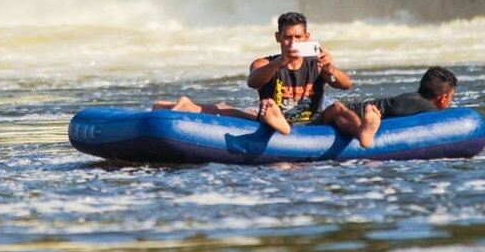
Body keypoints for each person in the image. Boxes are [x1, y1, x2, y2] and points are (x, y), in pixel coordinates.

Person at [152, 11, 352, 135]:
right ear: (278, 38)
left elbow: (345, 84)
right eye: (287, 37)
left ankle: (363, 132)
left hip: (311, 123)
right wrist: (279, 63)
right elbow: (253, 81)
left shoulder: (317, 64)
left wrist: (330, 70)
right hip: (271, 117)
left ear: (307, 37)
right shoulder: (264, 63)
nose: (292, 43)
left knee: (338, 108)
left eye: (298, 37)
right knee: (267, 106)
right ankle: (280, 125)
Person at [311, 65, 457, 149]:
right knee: (338, 109)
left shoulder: (412, 98)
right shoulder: (424, 106)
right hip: (344, 117)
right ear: (443, 98)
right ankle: (364, 131)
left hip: (354, 112)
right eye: (451, 97)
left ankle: (365, 128)